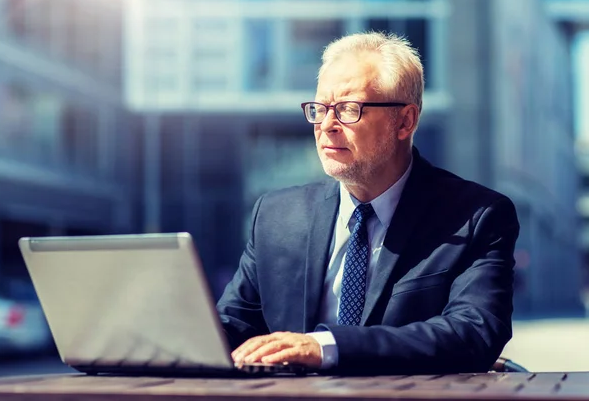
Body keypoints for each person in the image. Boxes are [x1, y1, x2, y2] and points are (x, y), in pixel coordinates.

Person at [216, 31, 519, 375]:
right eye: (319, 108)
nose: (327, 125)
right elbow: (232, 325)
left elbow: (473, 334)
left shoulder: (476, 217)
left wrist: (326, 347)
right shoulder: (276, 216)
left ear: (405, 121)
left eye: (347, 109)